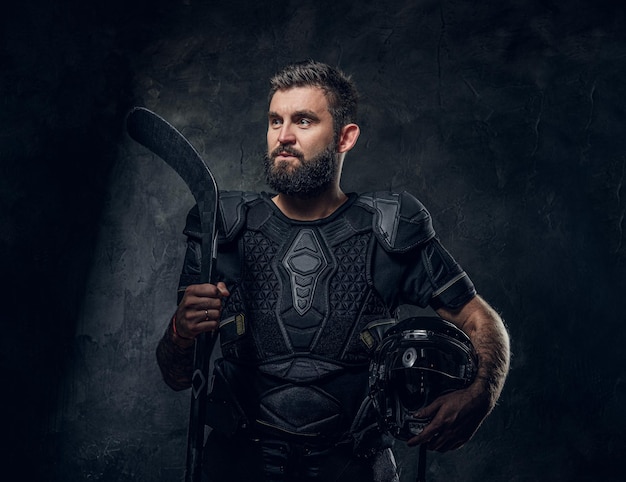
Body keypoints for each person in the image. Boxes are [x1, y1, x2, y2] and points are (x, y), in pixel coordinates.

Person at [156, 60, 510, 482]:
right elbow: (178, 376)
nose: (283, 136)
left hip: (355, 467)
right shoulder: (222, 226)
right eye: (275, 121)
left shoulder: (390, 229)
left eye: (303, 121)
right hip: (236, 467)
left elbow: (479, 318)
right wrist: (180, 331)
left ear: (345, 138)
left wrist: (479, 394)